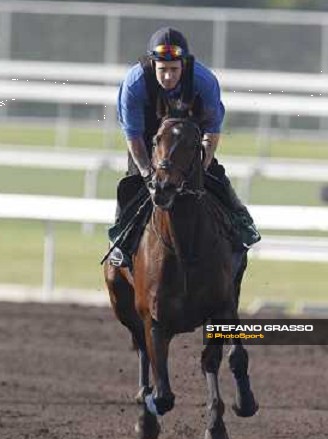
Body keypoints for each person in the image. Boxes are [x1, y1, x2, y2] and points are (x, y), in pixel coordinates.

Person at [107, 27, 260, 268]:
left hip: (189, 135)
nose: (168, 77)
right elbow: (134, 136)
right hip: (148, 137)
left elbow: (212, 130)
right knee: (132, 182)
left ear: (184, 65)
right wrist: (147, 173)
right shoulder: (134, 83)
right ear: (152, 64)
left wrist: (203, 164)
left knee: (214, 176)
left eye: (174, 70)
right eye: (162, 70)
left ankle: (242, 224)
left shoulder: (204, 81)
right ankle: (121, 243)